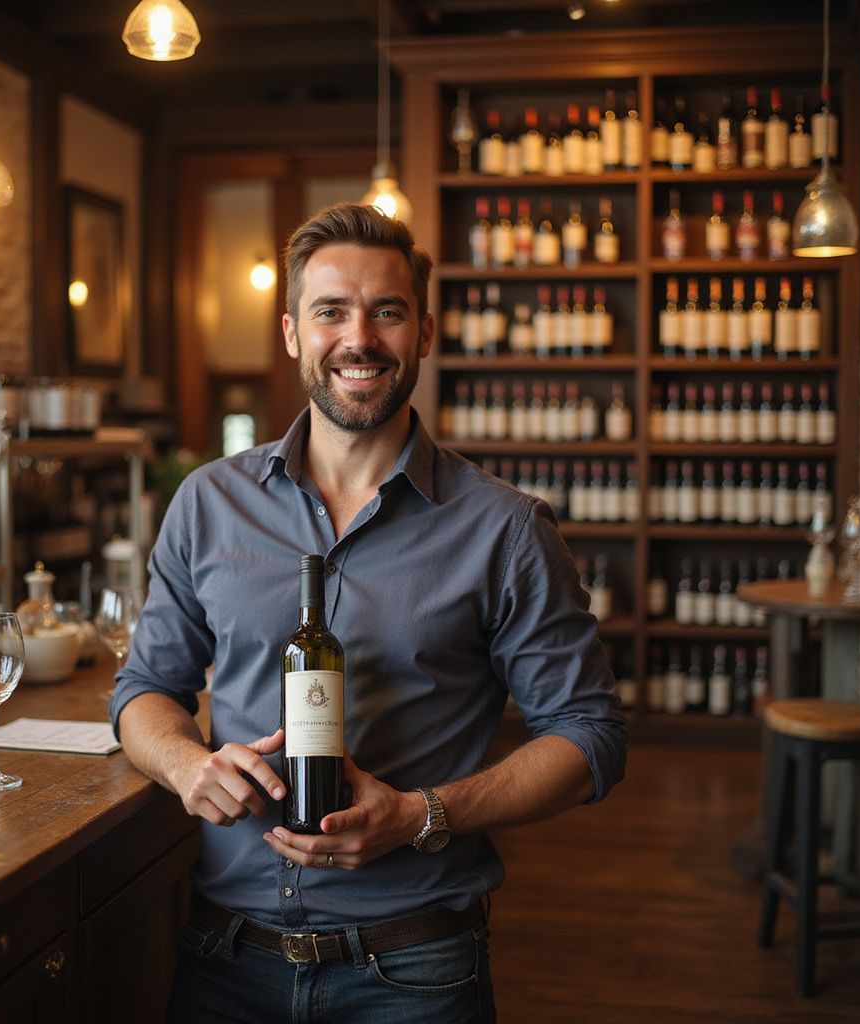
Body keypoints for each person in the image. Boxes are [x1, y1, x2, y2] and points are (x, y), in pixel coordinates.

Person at [110, 202, 627, 1023]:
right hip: (223, 960)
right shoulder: (208, 502)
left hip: (415, 968)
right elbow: (144, 689)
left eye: (387, 311)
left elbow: (589, 735)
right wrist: (185, 765)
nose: (360, 338)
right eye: (331, 312)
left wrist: (422, 816)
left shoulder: (505, 528)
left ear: (423, 330)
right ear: (291, 332)